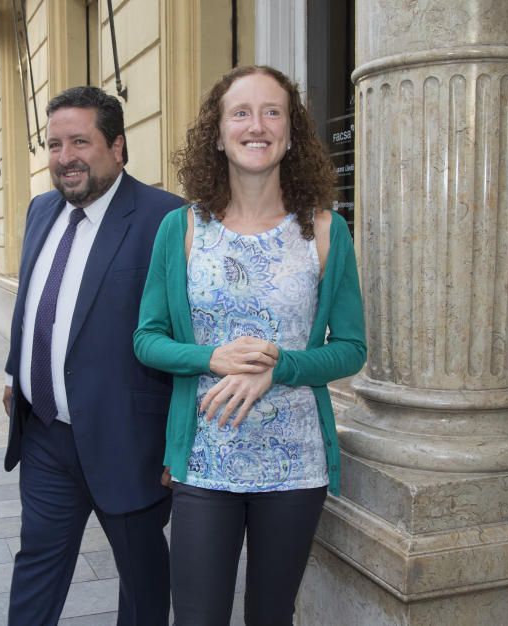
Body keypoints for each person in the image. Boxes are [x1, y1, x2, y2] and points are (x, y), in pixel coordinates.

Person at [133, 65, 367, 625]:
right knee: (196, 615)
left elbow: (351, 348)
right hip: (206, 462)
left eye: (272, 112)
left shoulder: (327, 230)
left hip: (295, 463)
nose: (256, 125)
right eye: (240, 112)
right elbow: (147, 339)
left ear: (291, 132)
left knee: (270, 615)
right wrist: (209, 357)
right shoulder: (183, 229)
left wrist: (280, 367)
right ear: (217, 133)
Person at [3, 86, 184, 626]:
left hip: (128, 441)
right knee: (36, 564)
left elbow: (184, 333)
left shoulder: (166, 219)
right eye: (55, 145)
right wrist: (19, 371)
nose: (65, 158)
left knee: (143, 581)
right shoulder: (41, 210)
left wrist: (179, 440)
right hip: (46, 437)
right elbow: (36, 300)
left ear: (118, 147)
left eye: (80, 142)